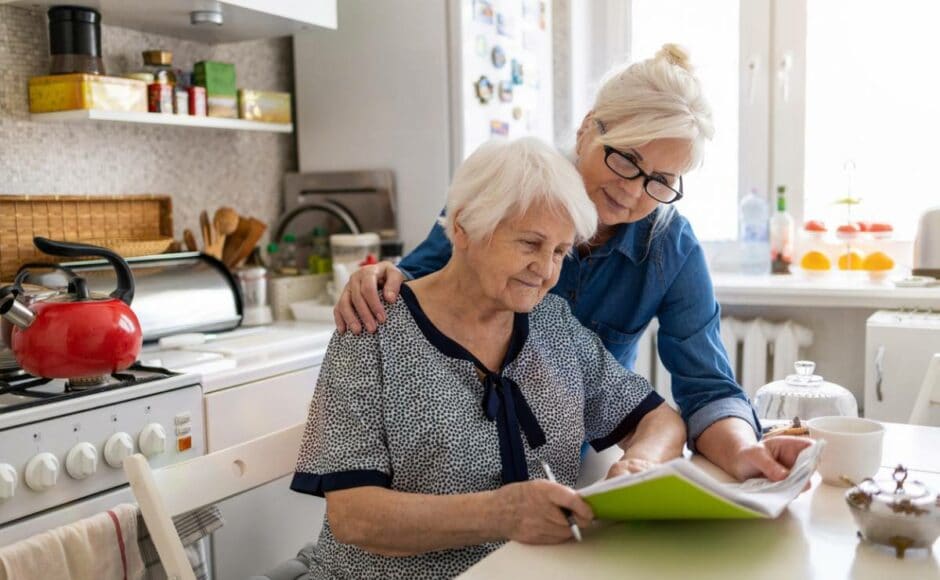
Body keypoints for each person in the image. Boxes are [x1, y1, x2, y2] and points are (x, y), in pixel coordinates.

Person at [333, 44, 812, 483]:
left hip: (569, 462)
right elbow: (418, 285)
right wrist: (379, 277)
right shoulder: (508, 192)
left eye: (660, 180)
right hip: (453, 464)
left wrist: (745, 451)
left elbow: (707, 389)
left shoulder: (671, 248)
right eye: (626, 158)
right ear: (588, 128)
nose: (631, 190)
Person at [291, 137, 686, 578]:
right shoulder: (373, 327)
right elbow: (354, 516)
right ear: (463, 227)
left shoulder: (553, 323)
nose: (546, 271)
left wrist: (641, 463)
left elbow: (660, 420)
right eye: (529, 243)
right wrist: (501, 513)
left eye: (559, 251)